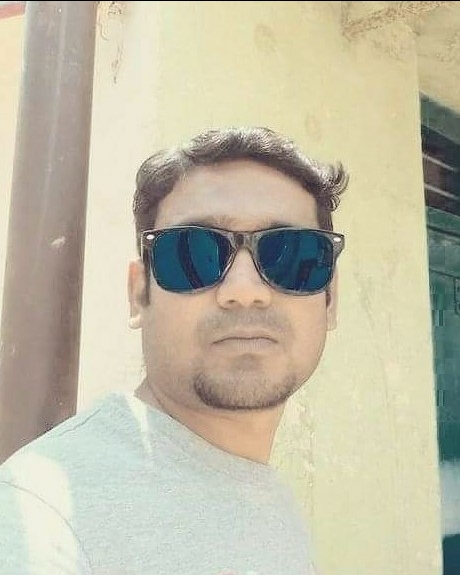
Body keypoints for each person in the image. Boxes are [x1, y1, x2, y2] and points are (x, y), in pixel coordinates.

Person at [0, 126, 348, 574]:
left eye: (292, 255)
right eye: (193, 252)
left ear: (330, 299)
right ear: (138, 294)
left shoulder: (271, 499)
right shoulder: (43, 514)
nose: (245, 290)